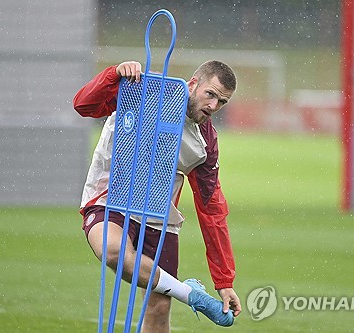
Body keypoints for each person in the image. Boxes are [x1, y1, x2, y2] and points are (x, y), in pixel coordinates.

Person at [73, 60, 241, 332]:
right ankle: (188, 293)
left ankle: (182, 292)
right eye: (210, 94)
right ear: (193, 83)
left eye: (222, 102)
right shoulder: (141, 93)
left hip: (158, 219)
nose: (213, 107)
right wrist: (113, 74)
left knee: (160, 308)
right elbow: (83, 105)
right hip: (110, 201)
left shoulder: (205, 142)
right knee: (113, 251)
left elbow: (212, 210)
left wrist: (224, 281)